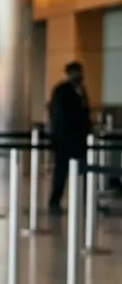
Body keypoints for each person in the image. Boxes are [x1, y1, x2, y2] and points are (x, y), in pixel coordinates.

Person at [48, 61, 91, 214]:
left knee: (84, 171)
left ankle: (87, 201)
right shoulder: (62, 91)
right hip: (65, 140)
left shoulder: (81, 90)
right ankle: (55, 201)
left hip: (79, 140)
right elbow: (59, 117)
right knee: (61, 171)